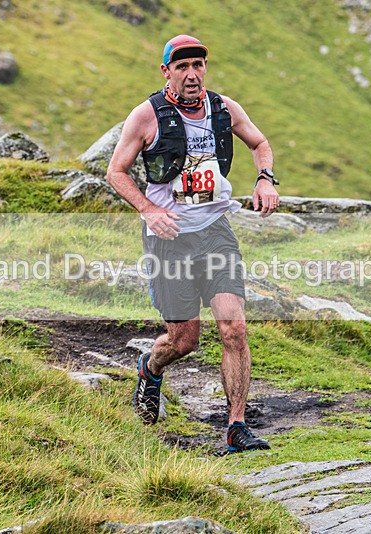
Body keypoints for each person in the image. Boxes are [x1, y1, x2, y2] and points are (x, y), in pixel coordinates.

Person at [106, 34, 279, 452]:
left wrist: (264, 178)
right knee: (183, 340)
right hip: (170, 240)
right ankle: (150, 368)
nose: (191, 74)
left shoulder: (223, 108)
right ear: (166, 71)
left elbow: (259, 143)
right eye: (181, 67)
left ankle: (236, 425)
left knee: (233, 327)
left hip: (215, 231)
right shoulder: (146, 116)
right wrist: (149, 210)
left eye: (197, 65)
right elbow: (117, 172)